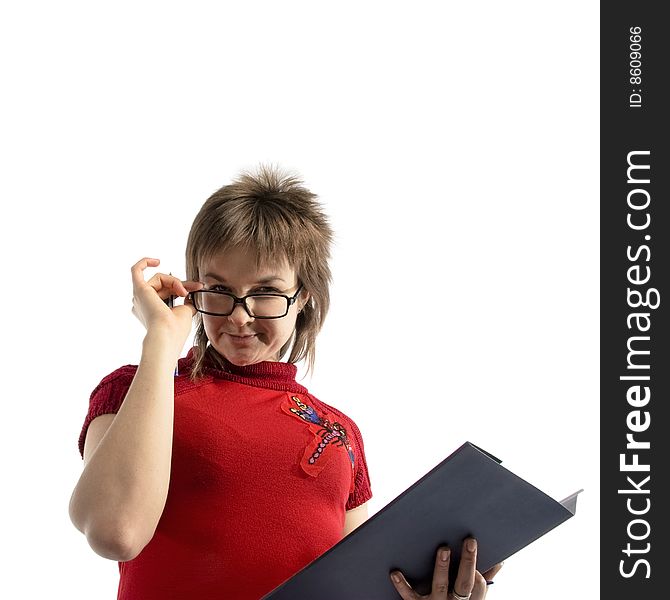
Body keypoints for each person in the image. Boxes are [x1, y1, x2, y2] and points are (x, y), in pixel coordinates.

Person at [68, 165, 501, 599]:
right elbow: (115, 531)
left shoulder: (341, 433)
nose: (240, 316)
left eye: (265, 293)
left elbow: (364, 588)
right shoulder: (140, 388)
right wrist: (160, 341)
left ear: (304, 297)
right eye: (218, 288)